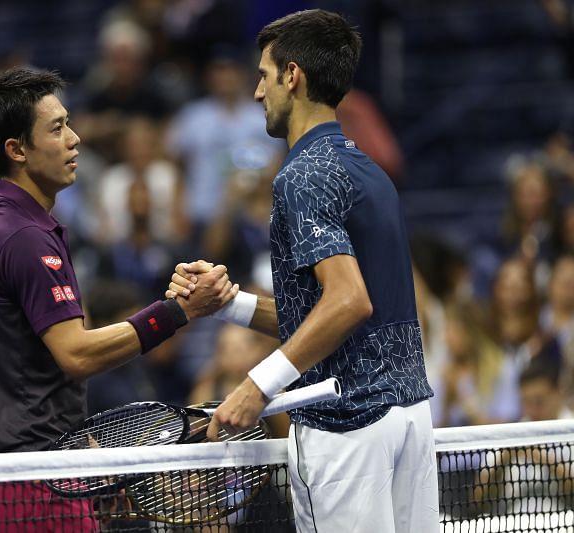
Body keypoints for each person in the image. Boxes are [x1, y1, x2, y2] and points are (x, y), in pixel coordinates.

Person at [167, 10, 438, 532]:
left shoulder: (301, 176)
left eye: (263, 76)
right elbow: (340, 315)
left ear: (293, 76)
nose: (256, 94)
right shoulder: (369, 172)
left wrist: (258, 384)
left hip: (346, 430)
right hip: (407, 420)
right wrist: (231, 305)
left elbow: (347, 302)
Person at [0, 67, 234, 531]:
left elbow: (39, 369)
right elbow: (76, 354)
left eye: (68, 123)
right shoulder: (22, 237)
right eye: (56, 128)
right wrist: (180, 310)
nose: (75, 140)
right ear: (17, 149)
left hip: (37, 469)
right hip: (37, 480)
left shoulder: (13, 228)